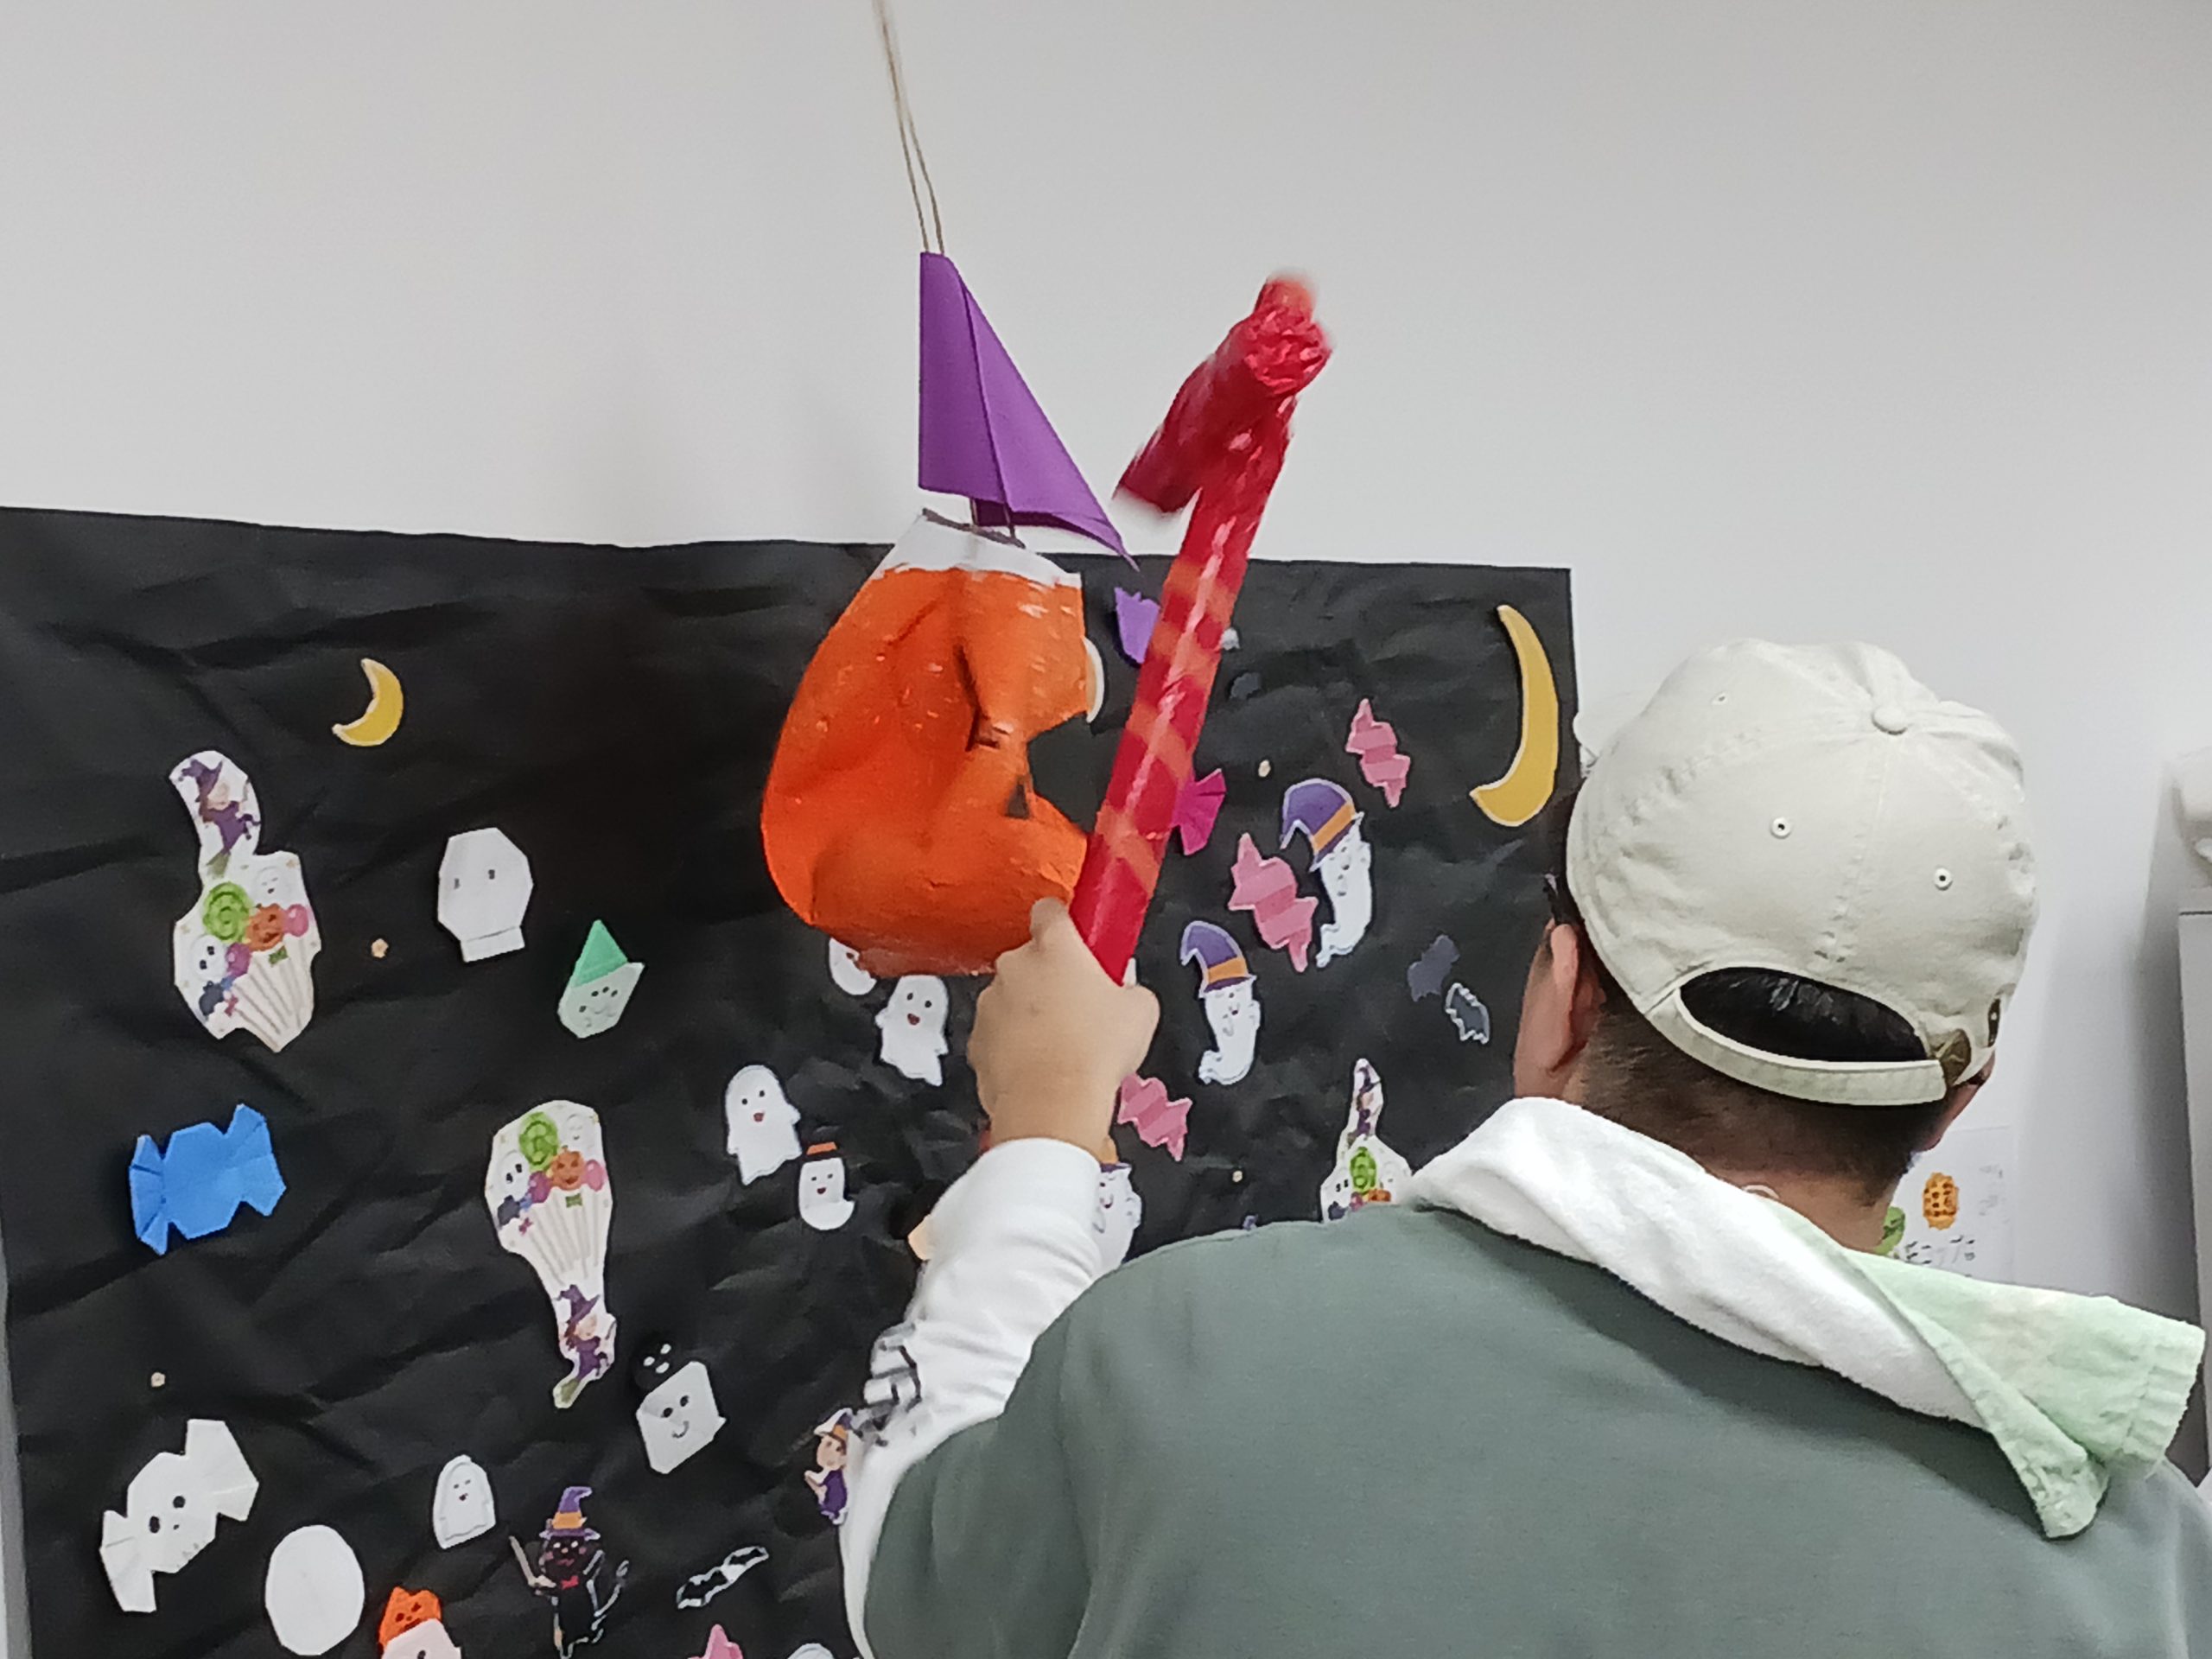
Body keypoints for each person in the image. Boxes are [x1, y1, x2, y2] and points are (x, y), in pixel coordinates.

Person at [840, 640, 2212, 1658]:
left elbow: (913, 1575)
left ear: (1562, 996)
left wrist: (1041, 1142)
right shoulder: (2140, 1579)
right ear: (1957, 1096)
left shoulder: (1186, 1363)